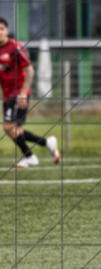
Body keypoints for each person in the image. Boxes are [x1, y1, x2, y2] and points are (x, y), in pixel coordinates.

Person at [0, 18, 60, 168]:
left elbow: (30, 70)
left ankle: (31, 157)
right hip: (7, 94)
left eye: (1, 28)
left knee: (9, 127)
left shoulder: (15, 47)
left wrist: (22, 93)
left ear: (7, 31)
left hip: (18, 92)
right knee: (14, 129)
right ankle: (47, 143)